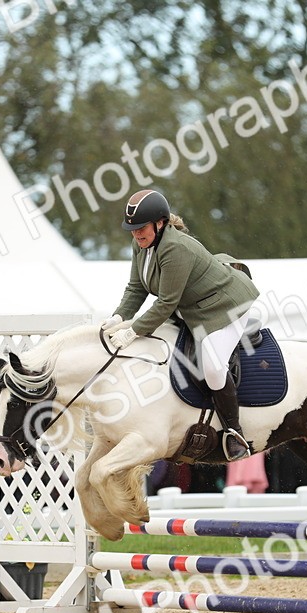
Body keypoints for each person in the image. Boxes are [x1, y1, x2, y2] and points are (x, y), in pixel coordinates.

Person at [104, 188, 261, 461]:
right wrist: (117, 318)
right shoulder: (140, 244)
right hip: (192, 309)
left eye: (142, 228)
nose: (136, 233)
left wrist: (132, 332)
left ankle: (234, 433)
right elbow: (136, 288)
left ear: (160, 223)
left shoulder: (175, 248)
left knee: (212, 367)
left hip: (225, 305)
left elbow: (165, 303)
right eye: (132, 229)